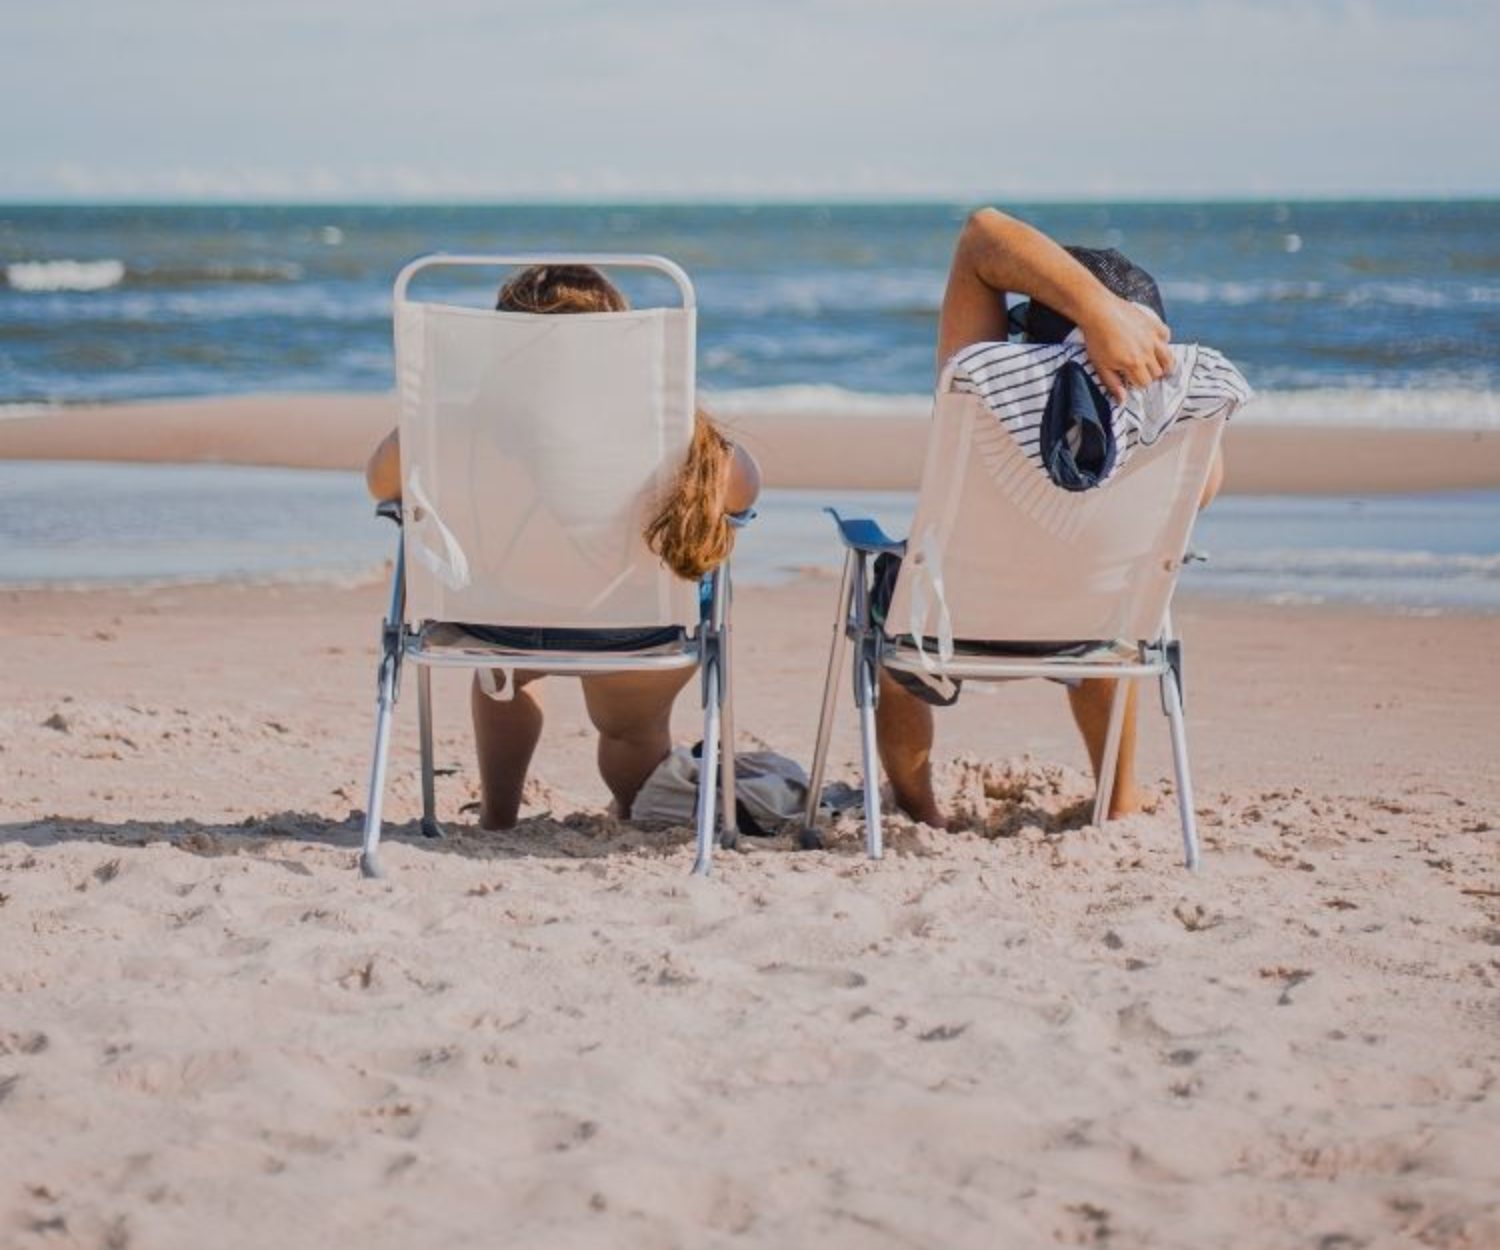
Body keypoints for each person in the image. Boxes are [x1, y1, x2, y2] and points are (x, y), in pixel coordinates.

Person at [364, 264, 761, 830]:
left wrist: (426, 432)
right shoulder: (670, 431)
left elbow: (380, 484)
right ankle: (628, 812)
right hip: (635, 631)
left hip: (496, 621)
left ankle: (498, 817)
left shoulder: (454, 427)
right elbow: (742, 490)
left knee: (502, 679)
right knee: (629, 729)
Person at [875, 208, 1226, 828]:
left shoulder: (979, 386)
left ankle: (920, 811)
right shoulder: (1179, 431)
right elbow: (1198, 493)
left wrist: (1093, 311)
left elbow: (982, 233)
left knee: (891, 633)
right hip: (1095, 628)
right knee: (1119, 583)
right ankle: (1119, 799)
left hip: (953, 626)